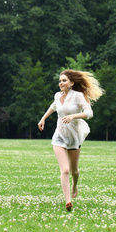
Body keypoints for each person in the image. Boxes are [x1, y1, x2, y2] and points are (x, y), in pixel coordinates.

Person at [38, 70, 104, 211]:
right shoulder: (58, 96)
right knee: (65, 169)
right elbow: (53, 106)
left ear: (72, 83)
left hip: (74, 138)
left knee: (74, 171)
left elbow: (89, 113)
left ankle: (75, 185)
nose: (61, 83)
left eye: (64, 80)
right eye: (60, 80)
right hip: (59, 137)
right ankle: (68, 201)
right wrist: (43, 118)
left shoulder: (78, 96)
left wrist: (74, 116)